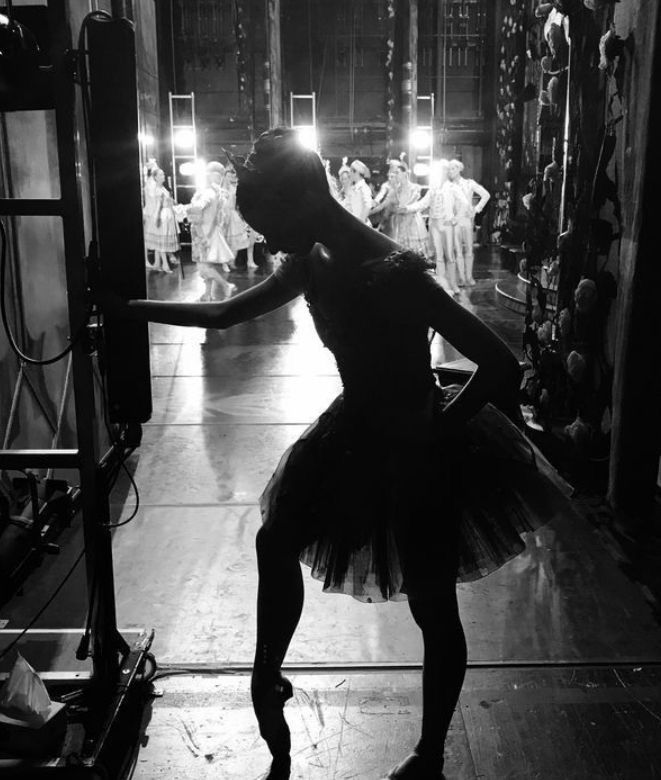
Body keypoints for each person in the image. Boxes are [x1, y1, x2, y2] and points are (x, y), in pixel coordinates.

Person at [99, 128, 575, 780]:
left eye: (269, 223)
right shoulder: (311, 255)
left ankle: (430, 752)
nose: (265, 242)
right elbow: (221, 317)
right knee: (276, 540)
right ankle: (267, 671)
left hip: (414, 442)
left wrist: (439, 429)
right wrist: (126, 310)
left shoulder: (389, 270)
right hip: (354, 428)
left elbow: (500, 364)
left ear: (298, 202)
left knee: (432, 603)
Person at [400, 159, 460, 295]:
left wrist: (456, 218)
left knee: (449, 255)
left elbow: (463, 204)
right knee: (439, 256)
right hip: (435, 224)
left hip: (447, 225)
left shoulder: (452, 187)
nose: (442, 172)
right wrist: (408, 208)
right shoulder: (434, 188)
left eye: (444, 170)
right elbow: (423, 203)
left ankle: (454, 284)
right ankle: (443, 285)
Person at [186, 161, 236, 301]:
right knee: (207, 266)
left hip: (202, 234)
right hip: (210, 232)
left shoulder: (208, 192)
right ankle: (208, 294)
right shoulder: (216, 192)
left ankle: (226, 285)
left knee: (203, 268)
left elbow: (196, 209)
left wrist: (186, 210)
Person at [447, 159, 490, 286]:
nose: (451, 171)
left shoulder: (469, 183)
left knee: (469, 250)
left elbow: (486, 195)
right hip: (454, 221)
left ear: (460, 169)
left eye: (453, 168)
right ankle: (461, 277)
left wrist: (476, 209)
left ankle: (469, 277)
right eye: (449, 169)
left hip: (466, 220)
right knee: (457, 250)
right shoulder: (448, 186)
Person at [388, 159, 432, 261]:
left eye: (398, 173)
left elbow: (413, 204)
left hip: (412, 219)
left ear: (405, 173)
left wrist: (404, 209)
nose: (397, 175)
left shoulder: (415, 188)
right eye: (395, 173)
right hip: (401, 220)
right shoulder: (397, 189)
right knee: (402, 248)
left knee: (415, 250)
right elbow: (393, 204)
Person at [346, 159, 374, 223]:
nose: (349, 174)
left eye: (350, 171)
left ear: (356, 172)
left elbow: (368, 205)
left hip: (360, 226)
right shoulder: (353, 188)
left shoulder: (364, 188)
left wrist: (361, 222)